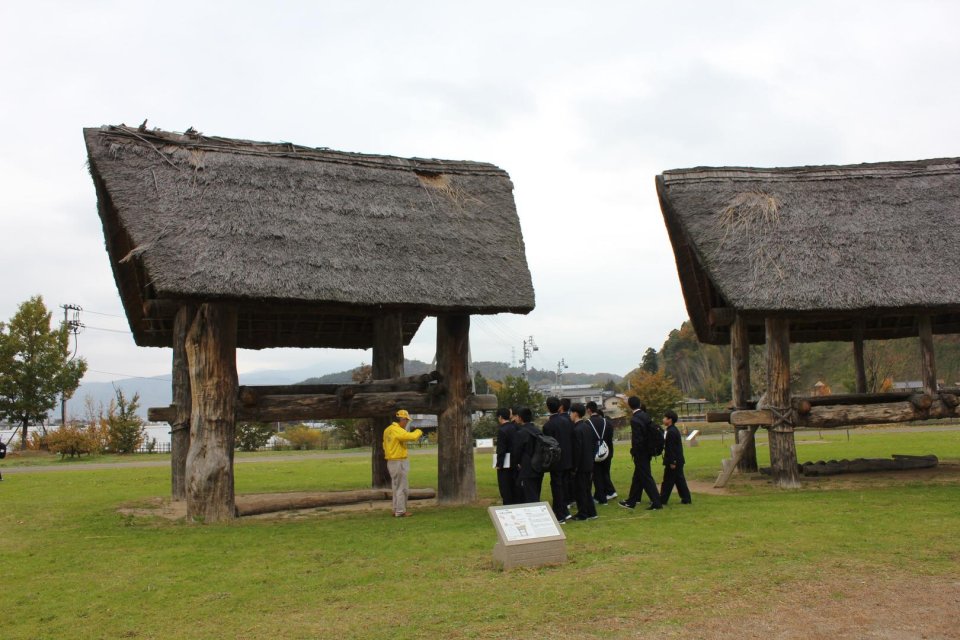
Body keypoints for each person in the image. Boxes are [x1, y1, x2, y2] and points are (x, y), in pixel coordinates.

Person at [619, 396, 662, 511]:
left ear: (629, 405)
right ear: (639, 403)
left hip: (641, 452)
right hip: (648, 450)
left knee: (646, 477)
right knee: (638, 477)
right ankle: (631, 501)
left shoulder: (635, 419)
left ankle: (656, 502)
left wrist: (634, 451)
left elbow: (637, 439)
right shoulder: (645, 416)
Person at [383, 409, 423, 517]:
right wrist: (418, 431)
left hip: (391, 461)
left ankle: (395, 509)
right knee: (402, 487)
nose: (406, 423)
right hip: (398, 461)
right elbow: (411, 437)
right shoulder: (397, 430)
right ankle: (401, 511)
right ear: (402, 419)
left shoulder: (387, 430)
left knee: (395, 487)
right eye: (406, 420)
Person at [542, 396, 574, 522]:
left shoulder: (548, 426)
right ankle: (563, 510)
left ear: (547, 407)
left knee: (557, 486)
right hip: (568, 457)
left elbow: (547, 446)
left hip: (556, 460)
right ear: (559, 407)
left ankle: (561, 514)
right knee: (564, 485)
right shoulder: (567, 421)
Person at [569, 403, 598, 520]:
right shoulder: (587, 427)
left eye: (571, 412)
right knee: (586, 489)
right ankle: (591, 512)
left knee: (580, 490)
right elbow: (594, 445)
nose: (570, 415)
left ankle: (583, 514)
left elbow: (577, 450)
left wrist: (574, 467)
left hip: (580, 465)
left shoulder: (576, 430)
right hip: (589, 463)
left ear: (575, 414)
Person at [511, 407, 544, 503]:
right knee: (536, 492)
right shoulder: (538, 431)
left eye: (517, 416)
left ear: (520, 418)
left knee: (529, 495)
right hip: (539, 466)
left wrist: (516, 463)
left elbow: (516, 452)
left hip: (526, 467)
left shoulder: (521, 433)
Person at [659, 410, 692, 506]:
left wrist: (672, 461)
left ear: (670, 420)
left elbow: (671, 448)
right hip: (678, 460)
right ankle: (686, 499)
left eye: (665, 418)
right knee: (679, 481)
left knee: (667, 481)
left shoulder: (671, 432)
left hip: (674, 461)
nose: (663, 419)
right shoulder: (671, 430)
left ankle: (662, 500)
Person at [586, 402, 616, 504]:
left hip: (595, 453)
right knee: (605, 474)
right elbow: (610, 436)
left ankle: (601, 498)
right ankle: (605, 494)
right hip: (607, 452)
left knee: (597, 476)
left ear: (589, 410)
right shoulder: (606, 422)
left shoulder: (587, 423)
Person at [494, 408, 517, 505]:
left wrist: (499, 464)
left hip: (505, 463)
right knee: (514, 487)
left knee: (505, 487)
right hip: (515, 462)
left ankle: (507, 505)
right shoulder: (515, 427)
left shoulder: (502, 430)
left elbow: (501, 449)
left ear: (500, 417)